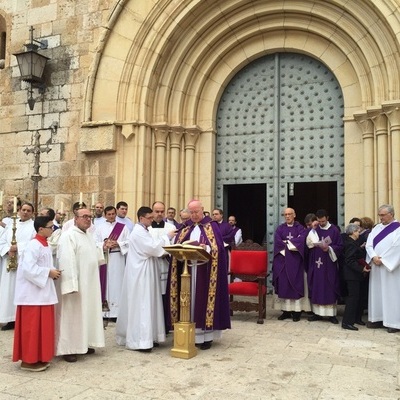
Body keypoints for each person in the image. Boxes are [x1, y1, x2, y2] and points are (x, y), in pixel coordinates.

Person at [167, 200, 231, 350]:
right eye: (192, 212)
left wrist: (205, 247)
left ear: (202, 210)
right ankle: (188, 334)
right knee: (188, 301)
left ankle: (206, 337)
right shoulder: (185, 227)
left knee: (202, 300)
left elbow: (218, 249)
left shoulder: (212, 226)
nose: (194, 215)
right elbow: (177, 245)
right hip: (187, 270)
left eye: (197, 212)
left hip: (206, 272)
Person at [116, 206, 176, 351]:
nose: (152, 219)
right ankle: (140, 341)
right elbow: (153, 248)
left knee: (149, 303)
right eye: (149, 217)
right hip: (141, 273)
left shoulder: (144, 230)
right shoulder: (138, 232)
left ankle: (150, 336)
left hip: (146, 270)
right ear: (141, 218)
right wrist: (167, 237)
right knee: (142, 304)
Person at [12, 216, 61, 371]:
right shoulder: (33, 245)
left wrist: (53, 272)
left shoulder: (45, 244)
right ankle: (28, 360)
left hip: (42, 293)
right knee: (32, 328)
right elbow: (27, 269)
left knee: (42, 328)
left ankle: (39, 356)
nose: (52, 229)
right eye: (50, 227)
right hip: (32, 295)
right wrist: (49, 272)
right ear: (41, 229)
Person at [56, 208, 105, 362]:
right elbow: (66, 260)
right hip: (75, 285)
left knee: (87, 313)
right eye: (84, 216)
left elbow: (94, 256)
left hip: (89, 283)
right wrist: (70, 284)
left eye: (90, 217)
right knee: (72, 315)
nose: (88, 219)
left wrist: (104, 248)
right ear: (75, 218)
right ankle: (69, 348)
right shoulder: (68, 236)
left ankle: (84, 343)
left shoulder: (88, 235)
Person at [0, 202, 36, 331]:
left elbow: (34, 242)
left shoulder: (33, 226)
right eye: (23, 210)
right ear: (19, 210)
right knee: (8, 290)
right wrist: (8, 249)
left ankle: (20, 318)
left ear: (32, 213)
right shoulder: (10, 226)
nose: (25, 212)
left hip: (23, 262)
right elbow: (2, 241)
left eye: (28, 210)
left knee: (20, 290)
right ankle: (9, 318)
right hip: (9, 261)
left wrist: (17, 247)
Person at [366, 204, 400, 333]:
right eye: (379, 215)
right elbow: (369, 245)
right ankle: (377, 318)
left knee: (391, 294)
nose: (380, 218)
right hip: (376, 266)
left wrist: (384, 260)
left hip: (390, 268)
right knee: (377, 292)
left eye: (383, 215)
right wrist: (374, 257)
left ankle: (393, 322)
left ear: (391, 214)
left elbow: (397, 247)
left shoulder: (398, 229)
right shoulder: (376, 229)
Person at [273, 207, 310, 322]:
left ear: (294, 215)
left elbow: (301, 241)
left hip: (295, 262)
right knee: (284, 285)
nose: (287, 216)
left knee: (295, 284)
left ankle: (296, 312)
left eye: (289, 214)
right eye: (285, 214)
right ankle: (285, 311)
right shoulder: (280, 229)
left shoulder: (300, 228)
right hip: (283, 261)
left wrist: (287, 242)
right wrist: (291, 242)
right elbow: (278, 242)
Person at [306, 209, 343, 324]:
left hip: (329, 263)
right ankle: (317, 313)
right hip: (317, 262)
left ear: (327, 218)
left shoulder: (334, 230)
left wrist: (330, 248)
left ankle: (331, 315)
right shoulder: (315, 229)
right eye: (319, 221)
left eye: (323, 221)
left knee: (329, 286)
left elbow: (340, 246)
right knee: (318, 286)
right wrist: (312, 229)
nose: (321, 223)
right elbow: (309, 243)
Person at [95, 205, 129, 320]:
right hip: (104, 258)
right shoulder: (99, 228)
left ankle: (117, 313)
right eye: (108, 214)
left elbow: (129, 242)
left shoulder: (123, 227)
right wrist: (104, 245)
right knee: (106, 283)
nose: (111, 216)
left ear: (115, 214)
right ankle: (104, 313)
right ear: (105, 215)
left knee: (117, 284)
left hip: (118, 258)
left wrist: (118, 244)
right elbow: (94, 242)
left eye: (113, 214)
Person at [149, 201, 176, 330]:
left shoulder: (171, 229)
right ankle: (153, 325)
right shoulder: (146, 229)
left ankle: (165, 325)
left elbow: (176, 246)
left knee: (165, 295)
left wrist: (167, 253)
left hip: (166, 265)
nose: (159, 214)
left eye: (161, 211)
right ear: (152, 211)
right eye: (156, 211)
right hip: (152, 266)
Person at [342, 223, 370, 331]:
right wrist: (361, 269)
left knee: (357, 298)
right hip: (351, 275)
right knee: (352, 299)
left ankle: (355, 319)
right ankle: (347, 322)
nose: (359, 233)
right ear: (353, 232)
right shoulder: (350, 243)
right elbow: (349, 260)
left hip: (354, 275)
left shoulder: (353, 242)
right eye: (358, 231)